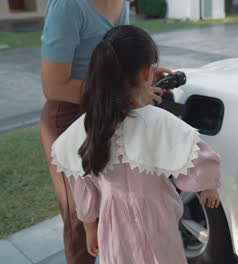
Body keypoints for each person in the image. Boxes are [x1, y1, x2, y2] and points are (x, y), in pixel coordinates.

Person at [50, 25, 222, 264]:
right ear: (147, 72)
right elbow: (198, 156)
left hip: (113, 230)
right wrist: (208, 186)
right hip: (157, 223)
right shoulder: (160, 122)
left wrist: (90, 227)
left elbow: (82, 184)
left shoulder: (89, 126)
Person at [40, 1, 172, 263]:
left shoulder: (120, 3)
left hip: (105, 111)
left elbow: (115, 61)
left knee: (115, 207)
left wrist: (142, 75)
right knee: (82, 217)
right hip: (68, 118)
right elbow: (54, 86)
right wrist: (128, 91)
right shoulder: (68, 6)